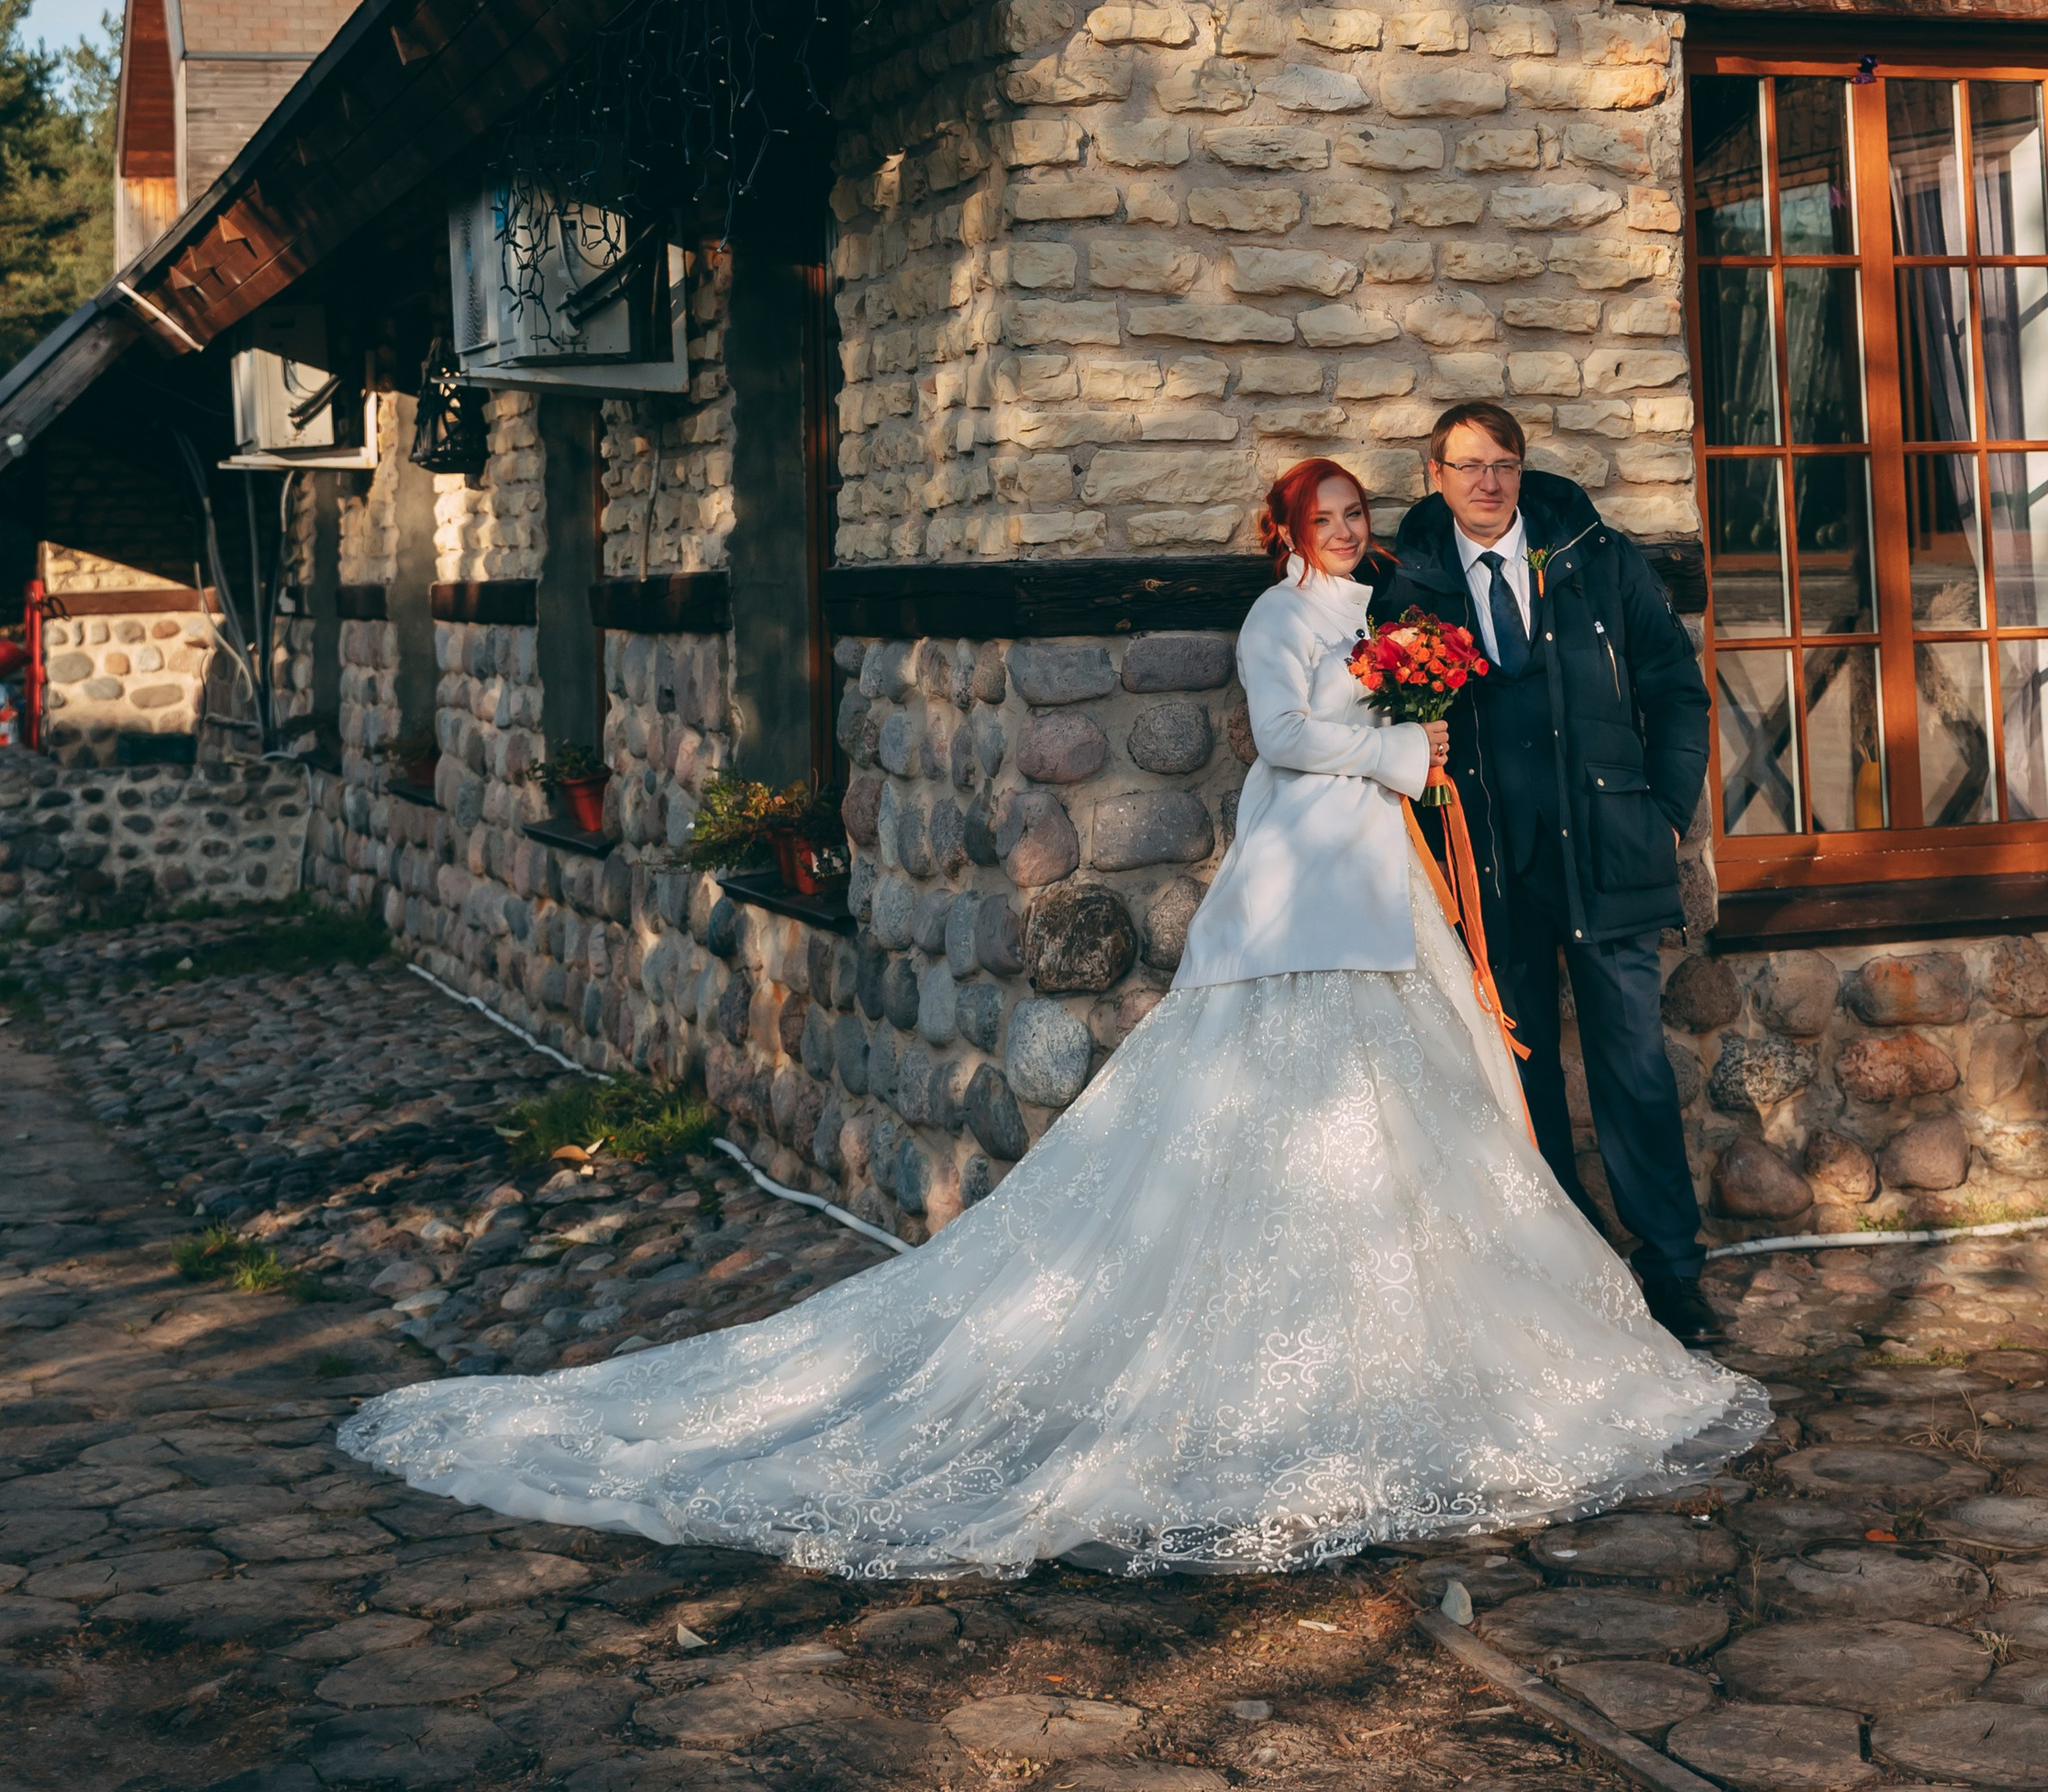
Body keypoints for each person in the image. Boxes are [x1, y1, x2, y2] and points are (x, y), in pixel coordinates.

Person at [338, 454, 1760, 1576]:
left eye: (1354, 512)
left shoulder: (1389, 617)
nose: (1345, 527)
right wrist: (1404, 745)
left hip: (1379, 880)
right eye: (1325, 513)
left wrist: (1415, 718)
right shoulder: (1278, 620)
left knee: (1418, 1091)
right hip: (1302, 872)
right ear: (1286, 529)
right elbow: (1283, 737)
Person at [1370, 402, 1720, 1346]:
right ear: (1434, 473)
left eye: (1504, 464)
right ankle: (1570, 1275)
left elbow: (1675, 688)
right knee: (1519, 1078)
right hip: (1489, 872)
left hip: (1607, 855)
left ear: (1522, 471)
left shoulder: (1594, 555)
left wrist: (1661, 814)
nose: (1488, 481)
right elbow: (1385, 724)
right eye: (1468, 464)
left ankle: (1673, 1271)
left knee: (1634, 1066)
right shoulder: (1408, 589)